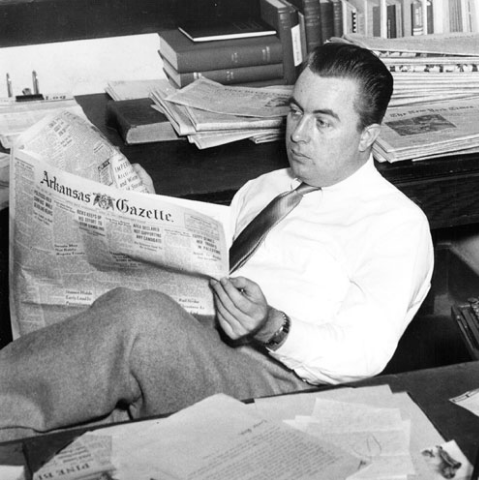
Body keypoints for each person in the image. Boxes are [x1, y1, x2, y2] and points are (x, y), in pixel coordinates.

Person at [0, 42, 433, 441]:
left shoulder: (396, 225)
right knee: (79, 405)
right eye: (296, 112)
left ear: (367, 137)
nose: (299, 134)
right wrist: (141, 212)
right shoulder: (268, 186)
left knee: (138, 322)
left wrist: (271, 325)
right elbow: (206, 260)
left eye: (323, 122)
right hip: (208, 344)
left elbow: (364, 353)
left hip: (283, 386)